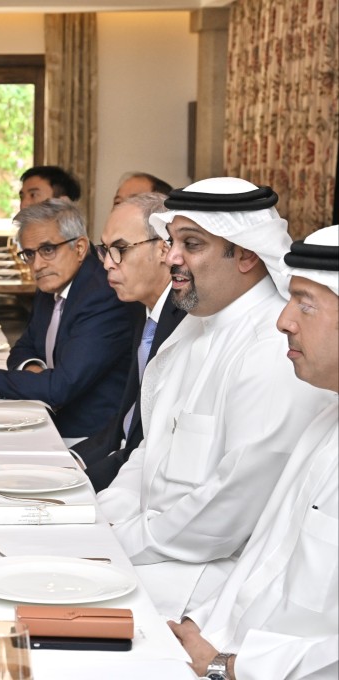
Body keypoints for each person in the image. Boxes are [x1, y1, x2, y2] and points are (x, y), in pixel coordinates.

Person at [96, 178, 334, 620]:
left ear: (245, 253)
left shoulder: (276, 348)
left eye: (192, 244)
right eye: (171, 242)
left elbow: (228, 509)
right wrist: (101, 518)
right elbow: (150, 450)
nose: (171, 258)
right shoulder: (198, 322)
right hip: (150, 550)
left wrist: (117, 540)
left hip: (207, 580)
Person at [168, 224, 339, 680]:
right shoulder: (328, 421)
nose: (283, 321)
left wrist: (227, 666)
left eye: (305, 305)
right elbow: (266, 559)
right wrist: (201, 624)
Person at [0, 200, 136, 440]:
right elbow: (22, 347)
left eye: (48, 250)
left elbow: (59, 388)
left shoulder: (102, 296)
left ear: (79, 248)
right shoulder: (53, 281)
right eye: (29, 253)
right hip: (47, 416)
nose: (36, 265)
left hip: (88, 438)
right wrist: (33, 370)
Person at [72, 192, 186, 491]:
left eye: (120, 249)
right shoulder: (142, 309)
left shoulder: (186, 322)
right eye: (105, 249)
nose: (108, 263)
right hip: (120, 463)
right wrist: (72, 460)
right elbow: (127, 419)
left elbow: (150, 442)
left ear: (165, 249)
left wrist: (79, 482)